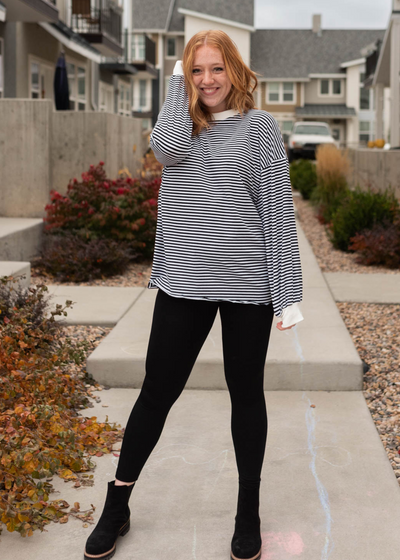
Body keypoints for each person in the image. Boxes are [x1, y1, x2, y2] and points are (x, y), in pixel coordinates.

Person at [84, 29, 304, 560]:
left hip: (247, 287)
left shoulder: (260, 130)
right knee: (157, 391)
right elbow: (165, 149)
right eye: (197, 70)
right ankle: (118, 504)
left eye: (216, 69)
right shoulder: (183, 126)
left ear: (235, 71)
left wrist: (287, 293)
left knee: (245, 395)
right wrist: (176, 83)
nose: (208, 80)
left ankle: (247, 510)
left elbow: (276, 212)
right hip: (183, 282)